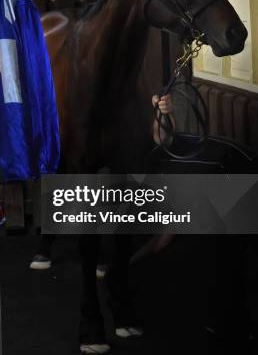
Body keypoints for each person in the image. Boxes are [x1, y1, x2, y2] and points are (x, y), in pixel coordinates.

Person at [77, 93, 174, 354]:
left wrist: (163, 112)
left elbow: (162, 138)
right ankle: (96, 308)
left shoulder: (140, 80)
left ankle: (118, 289)